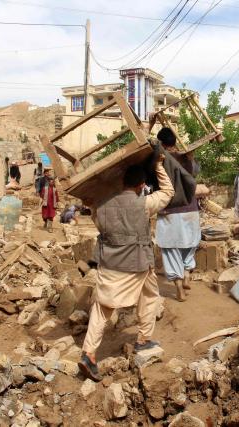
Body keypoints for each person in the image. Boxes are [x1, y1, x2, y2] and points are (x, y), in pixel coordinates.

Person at [78, 156, 174, 382]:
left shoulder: (100, 208)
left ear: (122, 183)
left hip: (110, 265)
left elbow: (96, 216)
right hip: (138, 264)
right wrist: (159, 166)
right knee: (150, 297)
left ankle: (89, 353)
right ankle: (142, 339)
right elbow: (168, 191)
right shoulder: (144, 204)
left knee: (103, 308)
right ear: (141, 185)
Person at [155, 127, 200, 302]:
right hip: (191, 209)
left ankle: (179, 288)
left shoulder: (159, 161)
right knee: (190, 243)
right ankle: (187, 271)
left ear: (161, 143)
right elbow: (195, 173)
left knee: (170, 248)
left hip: (170, 211)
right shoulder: (189, 159)